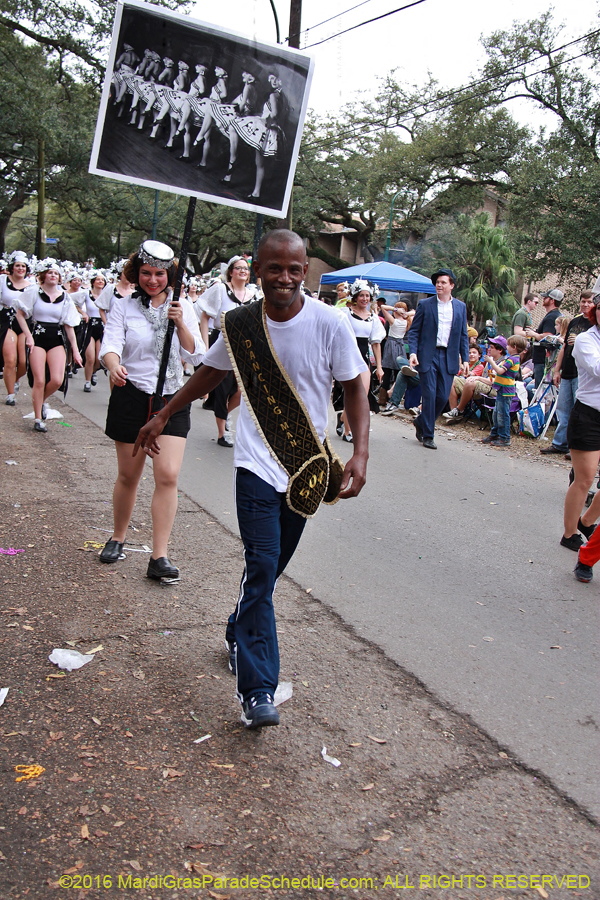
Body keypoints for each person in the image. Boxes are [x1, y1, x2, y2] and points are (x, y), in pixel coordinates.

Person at [134, 229, 369, 729]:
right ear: (256, 270)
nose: (284, 278)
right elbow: (210, 374)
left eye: (293, 269)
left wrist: (361, 454)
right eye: (273, 268)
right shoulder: (240, 324)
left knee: (269, 571)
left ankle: (237, 629)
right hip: (254, 467)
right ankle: (258, 690)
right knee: (261, 566)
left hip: (305, 470)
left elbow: (354, 386)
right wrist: (164, 412)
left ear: (305, 271)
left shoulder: (330, 323)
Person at [98, 240, 204, 581]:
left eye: (159, 274)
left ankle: (159, 556)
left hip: (171, 400)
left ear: (169, 275)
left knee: (168, 475)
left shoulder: (182, 306)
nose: (153, 280)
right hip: (132, 396)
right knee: (130, 474)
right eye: (146, 273)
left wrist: (182, 323)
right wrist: (114, 366)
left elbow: (196, 355)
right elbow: (110, 346)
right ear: (135, 273)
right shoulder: (123, 307)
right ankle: (118, 536)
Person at [14, 260, 82, 432]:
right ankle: (38, 418)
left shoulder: (65, 297)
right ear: (43, 275)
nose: (53, 275)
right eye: (50, 272)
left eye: (56, 273)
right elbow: (20, 314)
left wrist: (75, 350)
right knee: (39, 380)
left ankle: (40, 400)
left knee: (57, 379)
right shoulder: (33, 293)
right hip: (37, 337)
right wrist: (28, 336)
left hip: (56, 338)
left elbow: (69, 325)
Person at [407, 268, 469, 449]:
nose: (439, 285)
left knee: (442, 397)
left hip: (448, 356)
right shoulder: (425, 305)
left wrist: (465, 359)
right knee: (429, 394)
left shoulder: (460, 307)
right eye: (437, 282)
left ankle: (421, 421)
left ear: (452, 285)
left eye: (443, 282)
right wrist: (413, 353)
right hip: (428, 355)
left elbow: (463, 335)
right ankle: (428, 435)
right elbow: (414, 332)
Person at [559, 295, 600, 562]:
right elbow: (597, 368)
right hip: (589, 416)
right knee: (584, 480)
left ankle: (587, 521)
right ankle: (569, 532)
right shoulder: (585, 339)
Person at [197, 256, 252, 447]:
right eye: (238, 268)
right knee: (221, 388)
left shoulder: (253, 294)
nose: (243, 271)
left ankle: (225, 414)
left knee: (242, 389)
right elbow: (205, 316)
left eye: (246, 268)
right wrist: (205, 346)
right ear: (231, 271)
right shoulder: (220, 289)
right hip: (222, 342)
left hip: (244, 348)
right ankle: (222, 433)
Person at [541, 290, 595, 457]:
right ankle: (560, 443)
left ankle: (576, 447)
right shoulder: (574, 321)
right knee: (563, 410)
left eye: (589, 302)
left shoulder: (595, 325)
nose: (585, 305)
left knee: (579, 412)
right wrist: (557, 370)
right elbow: (564, 347)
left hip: (583, 374)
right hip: (568, 372)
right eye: (583, 301)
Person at [339, 279, 385, 440]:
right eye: (362, 295)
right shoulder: (346, 314)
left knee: (361, 395)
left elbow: (376, 344)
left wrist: (379, 367)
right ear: (356, 297)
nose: (365, 299)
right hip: (347, 356)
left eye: (368, 296)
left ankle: (346, 423)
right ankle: (346, 429)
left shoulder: (373, 319)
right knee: (350, 393)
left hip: (364, 358)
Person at [0, 250, 32, 405]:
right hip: (7, 322)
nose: (20, 269)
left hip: (24, 324)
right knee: (10, 360)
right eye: (18, 266)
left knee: (23, 362)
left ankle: (16, 378)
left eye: (23, 266)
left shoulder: (32, 285)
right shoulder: (2, 280)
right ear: (12, 267)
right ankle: (10, 393)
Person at [480, 335, 522, 448]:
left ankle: (504, 437)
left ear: (514, 347)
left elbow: (499, 370)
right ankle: (495, 433)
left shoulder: (512, 359)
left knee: (502, 414)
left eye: (508, 345)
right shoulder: (511, 359)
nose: (506, 347)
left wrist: (491, 361)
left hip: (506, 391)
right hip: (501, 389)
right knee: (496, 413)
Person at [526, 288, 563, 387]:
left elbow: (548, 336)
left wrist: (533, 334)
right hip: (543, 360)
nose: (543, 299)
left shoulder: (552, 317)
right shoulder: (554, 315)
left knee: (541, 389)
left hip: (543, 361)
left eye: (546, 297)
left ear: (552, 301)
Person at [82, 271, 107, 392]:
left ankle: (93, 372)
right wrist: (83, 313)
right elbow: (72, 302)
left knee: (99, 359)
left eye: (102, 280)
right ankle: (87, 381)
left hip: (102, 327)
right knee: (90, 357)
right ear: (93, 282)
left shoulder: (107, 295)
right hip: (90, 326)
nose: (100, 281)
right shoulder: (86, 294)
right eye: (98, 279)